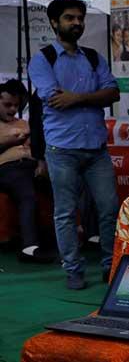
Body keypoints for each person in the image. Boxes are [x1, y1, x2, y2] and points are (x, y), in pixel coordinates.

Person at [28, 0, 121, 289]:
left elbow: (113, 93)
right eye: (69, 18)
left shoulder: (93, 57)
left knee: (109, 208)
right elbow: (55, 98)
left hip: (96, 149)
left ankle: (110, 266)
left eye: (80, 18)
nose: (77, 23)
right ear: (54, 23)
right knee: (66, 213)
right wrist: (94, 96)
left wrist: (77, 97)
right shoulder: (42, 59)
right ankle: (73, 269)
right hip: (62, 150)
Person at [0, 80, 54, 263]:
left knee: (64, 185)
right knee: (27, 193)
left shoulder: (24, 123)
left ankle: (77, 235)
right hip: (7, 168)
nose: (13, 109)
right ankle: (29, 247)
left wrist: (40, 162)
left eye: (16, 105)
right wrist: (11, 142)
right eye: (7, 105)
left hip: (32, 165)